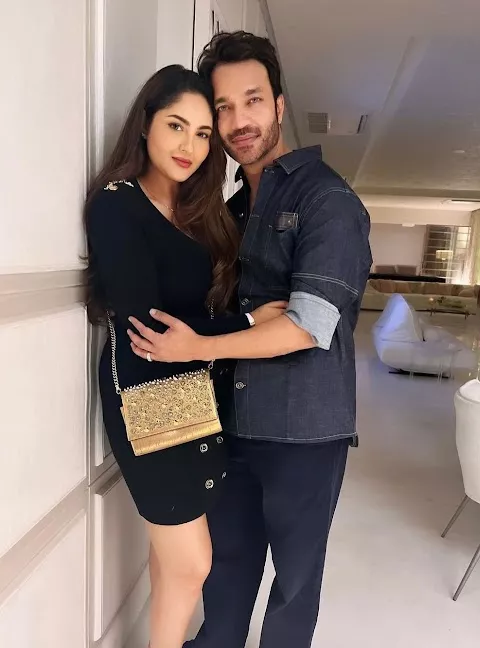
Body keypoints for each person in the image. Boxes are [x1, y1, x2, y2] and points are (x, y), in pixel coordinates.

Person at [128, 33, 372, 648]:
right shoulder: (229, 209)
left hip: (303, 430)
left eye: (253, 100)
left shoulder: (327, 198)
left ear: (280, 105)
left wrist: (203, 346)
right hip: (229, 424)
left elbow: (307, 325)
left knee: (294, 585)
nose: (240, 121)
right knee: (225, 572)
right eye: (224, 107)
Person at [84, 64, 285, 648]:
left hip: (192, 387)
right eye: (176, 125)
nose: (189, 146)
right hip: (144, 388)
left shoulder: (197, 211)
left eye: (202, 133)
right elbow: (145, 320)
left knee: (171, 553)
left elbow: (196, 313)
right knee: (192, 561)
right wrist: (248, 323)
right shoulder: (117, 204)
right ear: (146, 123)